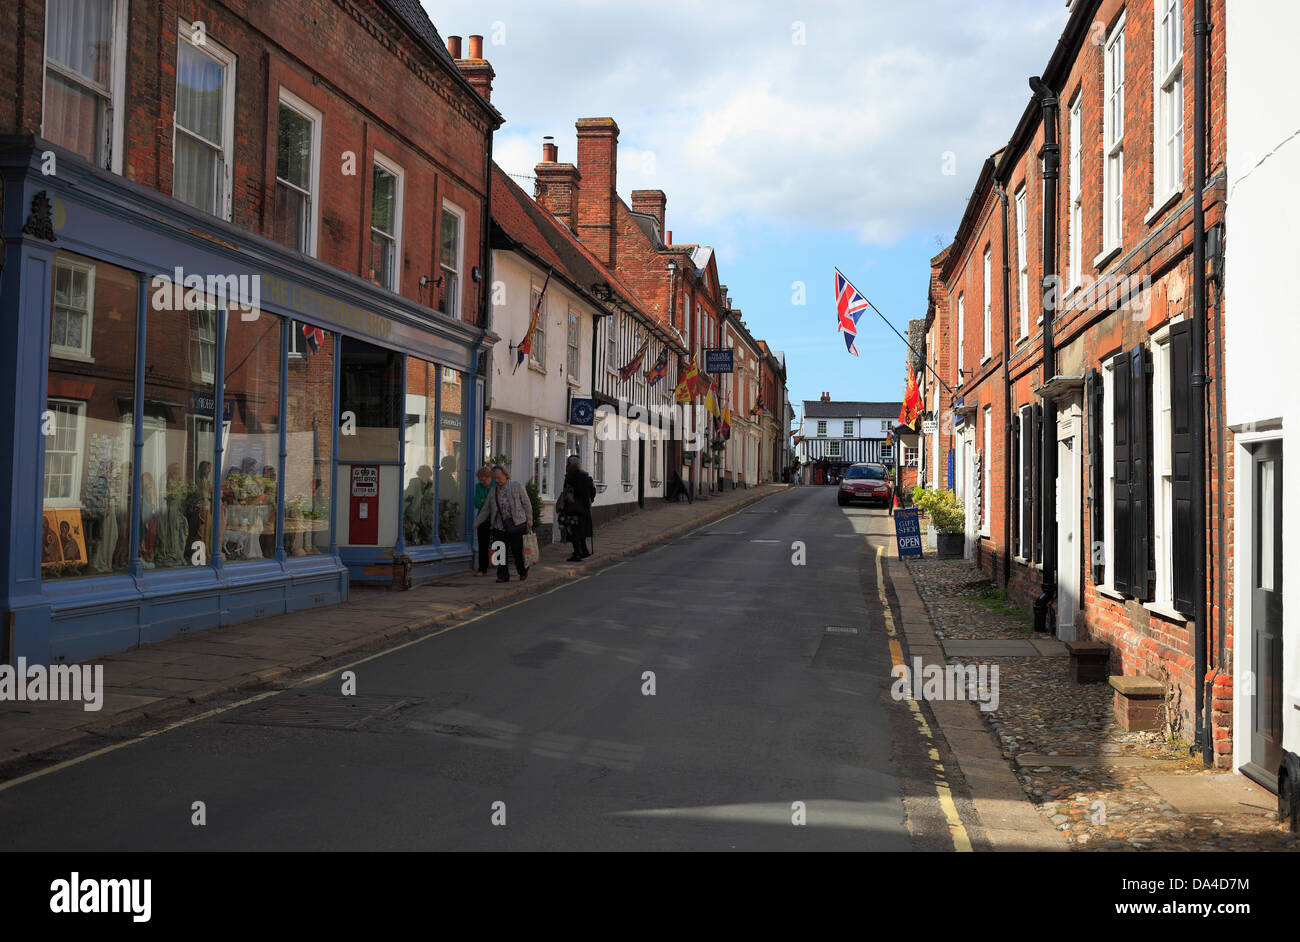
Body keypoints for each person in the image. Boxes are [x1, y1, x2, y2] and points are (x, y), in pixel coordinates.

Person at [473, 464, 532, 582]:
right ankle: (502, 575)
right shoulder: (493, 491)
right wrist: (477, 522)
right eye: (495, 478)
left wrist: (529, 520)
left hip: (516, 524)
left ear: (506, 475)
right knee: (500, 551)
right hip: (499, 525)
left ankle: (522, 571)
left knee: (516, 550)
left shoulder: (516, 486)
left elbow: (526, 504)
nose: (497, 480)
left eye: (499, 477)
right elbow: (486, 509)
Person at [557, 455, 597, 562]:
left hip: (572, 509)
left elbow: (567, 492)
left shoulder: (570, 478)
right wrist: (590, 501)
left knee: (574, 530)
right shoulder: (586, 477)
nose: (566, 466)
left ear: (572, 466)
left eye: (568, 464)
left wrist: (566, 504)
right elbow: (593, 491)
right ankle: (584, 550)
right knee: (581, 530)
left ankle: (577, 553)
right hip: (584, 508)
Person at [471, 465, 494, 576]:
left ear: (489, 477)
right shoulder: (478, 486)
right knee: (482, 544)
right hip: (483, 518)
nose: (482, 482)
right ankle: (482, 569)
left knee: (500, 542)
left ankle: (502, 569)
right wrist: (485, 502)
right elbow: (477, 503)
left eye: (484, 480)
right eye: (480, 480)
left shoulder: (496, 485)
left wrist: (484, 500)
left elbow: (493, 503)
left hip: (496, 518)